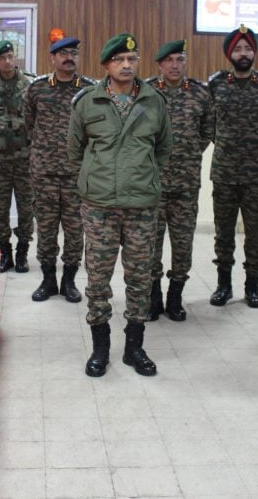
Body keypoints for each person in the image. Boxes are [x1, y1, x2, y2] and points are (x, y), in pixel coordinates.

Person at [69, 33, 171, 378]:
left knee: (140, 278)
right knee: (98, 279)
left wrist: (144, 176)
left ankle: (134, 347)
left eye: (132, 58)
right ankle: (100, 348)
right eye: (119, 59)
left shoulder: (154, 100)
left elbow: (163, 149)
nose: (126, 65)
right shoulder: (88, 102)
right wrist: (94, 178)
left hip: (142, 204)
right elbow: (74, 149)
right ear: (106, 65)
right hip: (99, 205)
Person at [208, 24, 258, 309]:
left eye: (248, 48)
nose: (244, 53)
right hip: (224, 172)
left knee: (254, 234)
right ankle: (224, 285)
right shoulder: (216, 84)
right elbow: (209, 124)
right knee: (223, 233)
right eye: (238, 49)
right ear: (229, 54)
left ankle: (253, 286)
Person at [145, 39, 214, 322]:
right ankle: (152, 297)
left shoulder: (200, 93)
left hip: (185, 185)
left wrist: (185, 153)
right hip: (153, 184)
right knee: (150, 245)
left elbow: (207, 130)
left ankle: (175, 297)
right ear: (160, 64)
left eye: (180, 60)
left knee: (183, 244)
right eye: (169, 60)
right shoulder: (146, 91)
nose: (175, 65)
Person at [24, 36, 96, 302]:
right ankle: (47, 280)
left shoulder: (90, 89)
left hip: (76, 174)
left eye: (73, 53)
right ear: (52, 58)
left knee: (76, 230)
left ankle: (69, 281)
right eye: (63, 53)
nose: (69, 57)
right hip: (44, 173)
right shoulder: (37, 88)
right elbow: (28, 125)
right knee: (45, 229)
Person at [0, 40, 36, 273]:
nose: (8, 61)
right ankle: (5, 252)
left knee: (26, 208)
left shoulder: (30, 84)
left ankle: (22, 252)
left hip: (26, 160)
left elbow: (39, 119)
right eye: (3, 58)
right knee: (0, 209)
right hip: (0, 162)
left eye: (11, 56)